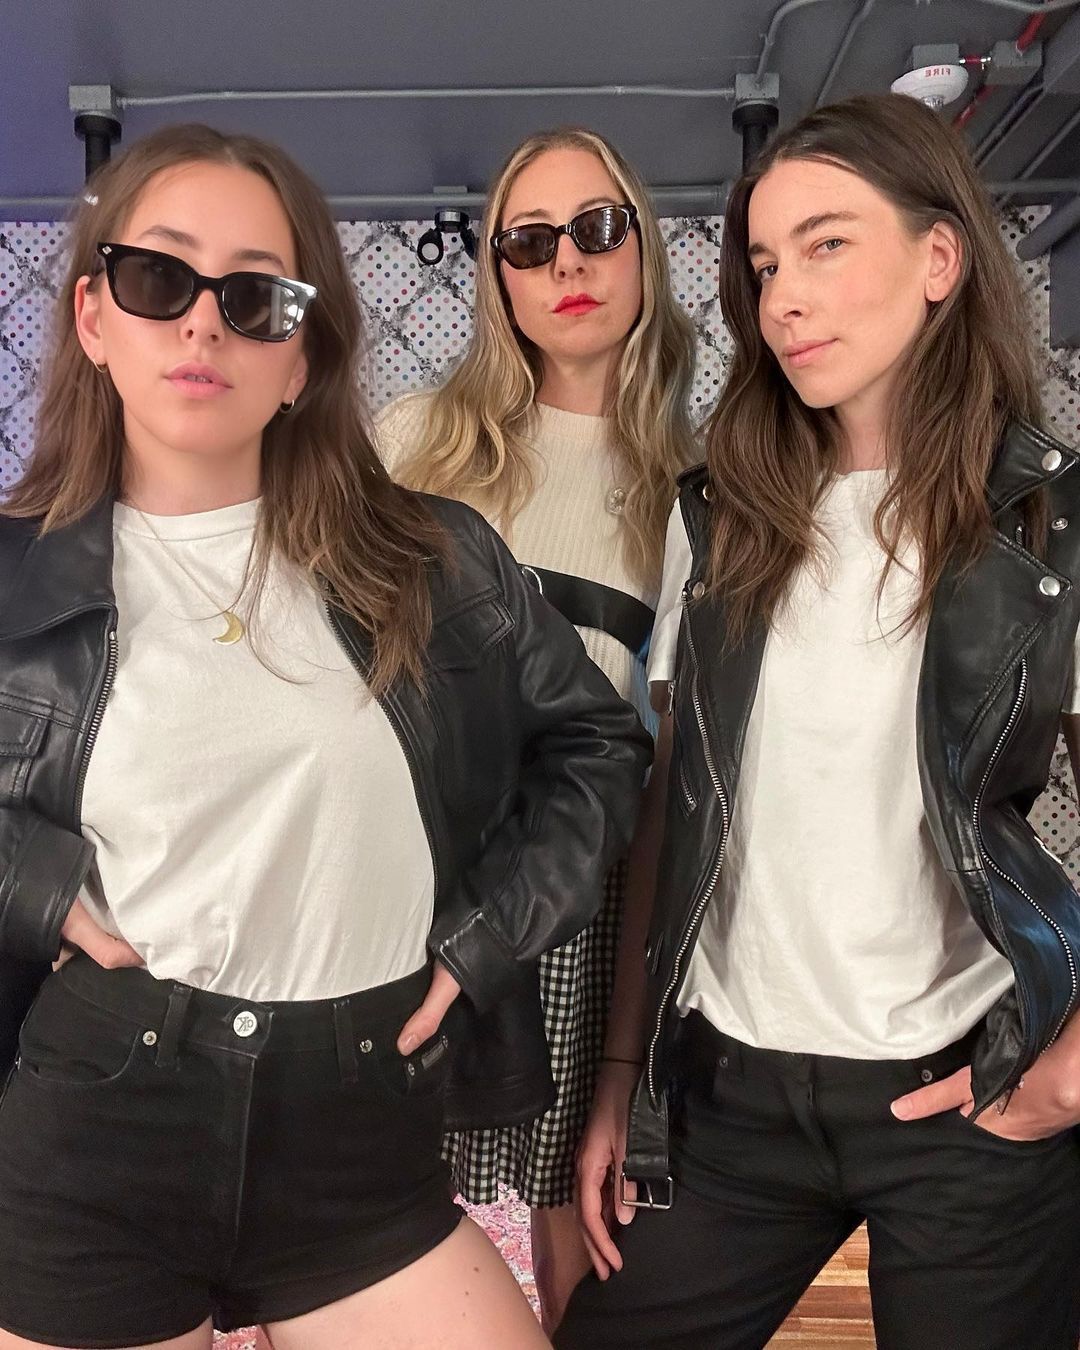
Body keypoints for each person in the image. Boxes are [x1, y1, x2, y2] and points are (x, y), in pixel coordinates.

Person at [0, 122, 652, 1350]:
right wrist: (32, 885)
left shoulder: (438, 559)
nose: (204, 324)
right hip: (103, 1128)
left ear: (300, 358)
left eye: (257, 296)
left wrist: (482, 940)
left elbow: (603, 749)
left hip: (363, 1131)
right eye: (160, 279)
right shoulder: (11, 573)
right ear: (94, 317)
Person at [557, 93, 1080, 1350]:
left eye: (829, 244)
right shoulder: (726, 517)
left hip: (965, 1095)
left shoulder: (1047, 529)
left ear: (940, 260)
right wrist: (623, 1081)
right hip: (729, 1097)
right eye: (765, 262)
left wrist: (1065, 1076)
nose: (784, 295)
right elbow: (673, 812)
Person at [376, 125, 696, 1330]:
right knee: (383, 1214)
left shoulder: (701, 483)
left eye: (598, 227)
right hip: (418, 887)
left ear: (643, 250)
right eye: (530, 238)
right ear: (498, 274)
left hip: (585, 898)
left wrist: (627, 1046)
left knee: (581, 1231)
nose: (569, 260)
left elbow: (664, 773)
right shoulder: (415, 444)